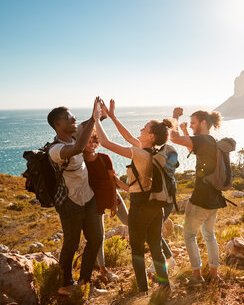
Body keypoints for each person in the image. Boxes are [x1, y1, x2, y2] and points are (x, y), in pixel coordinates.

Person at [93, 100, 171, 296]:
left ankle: (143, 291)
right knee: (155, 247)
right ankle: (164, 287)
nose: (141, 129)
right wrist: (112, 117)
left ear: (151, 136)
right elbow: (128, 137)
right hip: (155, 208)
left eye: (144, 128)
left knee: (137, 250)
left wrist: (96, 119)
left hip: (140, 209)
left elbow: (105, 143)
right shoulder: (152, 153)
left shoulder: (139, 154)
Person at [47, 99, 103, 296]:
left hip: (88, 197)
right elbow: (79, 148)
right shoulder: (55, 150)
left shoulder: (75, 133)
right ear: (58, 125)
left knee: (96, 238)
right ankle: (66, 284)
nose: (74, 119)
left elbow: (92, 122)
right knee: (71, 243)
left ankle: (84, 284)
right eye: (69, 118)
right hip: (70, 202)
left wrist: (97, 113)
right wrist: (94, 119)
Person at [170, 108, 226, 286]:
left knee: (189, 235)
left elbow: (174, 138)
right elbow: (193, 149)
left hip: (200, 199)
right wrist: (187, 131)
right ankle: (214, 274)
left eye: (193, 123)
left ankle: (196, 277)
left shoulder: (202, 139)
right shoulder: (210, 141)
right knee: (209, 235)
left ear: (203, 123)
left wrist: (176, 118)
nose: (192, 126)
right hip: (214, 198)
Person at [83, 130, 130, 282]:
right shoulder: (79, 161)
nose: (92, 145)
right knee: (99, 236)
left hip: (111, 195)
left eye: (94, 142)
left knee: (129, 221)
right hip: (94, 201)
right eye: (88, 142)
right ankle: (103, 268)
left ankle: (150, 252)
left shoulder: (104, 158)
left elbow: (112, 180)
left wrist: (114, 203)